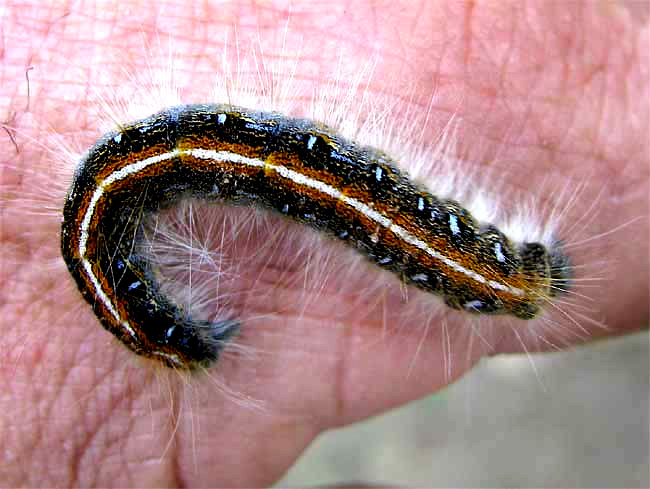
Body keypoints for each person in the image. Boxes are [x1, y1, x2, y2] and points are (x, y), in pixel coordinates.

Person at [1, 1, 647, 486]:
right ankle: (500, 278)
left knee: (337, 192)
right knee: (334, 192)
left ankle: (499, 277)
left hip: (461, 255)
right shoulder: (117, 196)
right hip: (459, 255)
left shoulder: (116, 195)